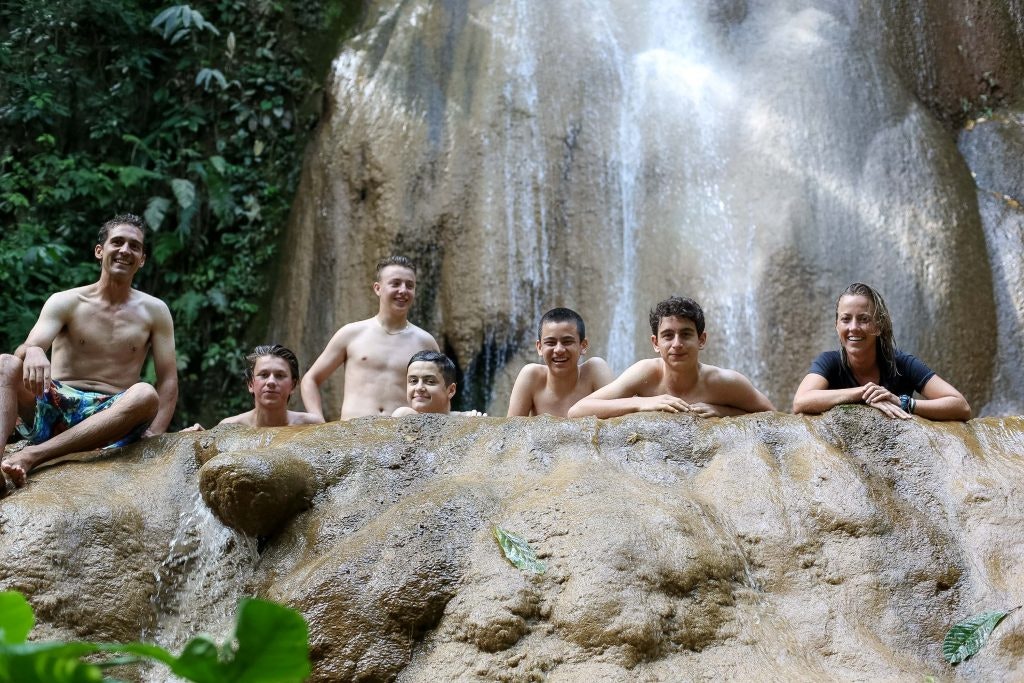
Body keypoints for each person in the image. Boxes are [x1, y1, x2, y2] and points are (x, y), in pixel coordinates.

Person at [0, 214, 177, 489]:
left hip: (109, 413)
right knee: (6, 363)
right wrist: (33, 350)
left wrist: (155, 433)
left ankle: (32, 455)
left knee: (145, 393)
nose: (124, 251)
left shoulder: (155, 311)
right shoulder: (67, 301)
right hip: (54, 402)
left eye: (134, 246)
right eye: (117, 242)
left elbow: (167, 379)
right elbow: (25, 351)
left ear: (142, 259)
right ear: (99, 251)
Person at [568, 296, 774, 418]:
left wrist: (724, 411)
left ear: (701, 340)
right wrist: (642, 404)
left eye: (685, 334)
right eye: (668, 336)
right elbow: (577, 411)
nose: (677, 344)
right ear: (655, 343)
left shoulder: (724, 382)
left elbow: (774, 417)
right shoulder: (646, 373)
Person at [792, 282, 970, 420]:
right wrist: (864, 392)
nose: (854, 328)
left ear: (878, 326)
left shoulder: (901, 363)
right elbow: (800, 402)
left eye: (864, 319)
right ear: (836, 326)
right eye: (846, 319)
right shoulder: (830, 362)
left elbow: (961, 406)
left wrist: (905, 403)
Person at [301, 256, 439, 420]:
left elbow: (442, 392)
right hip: (354, 435)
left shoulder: (425, 342)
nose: (403, 290)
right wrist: (317, 420)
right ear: (378, 288)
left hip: (402, 436)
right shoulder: (351, 334)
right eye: (395, 283)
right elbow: (310, 379)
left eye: (410, 285)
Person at [506, 307, 614, 417]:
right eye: (551, 343)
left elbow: (619, 421)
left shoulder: (594, 370)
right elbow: (511, 430)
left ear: (583, 345)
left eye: (567, 342)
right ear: (539, 347)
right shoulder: (531, 376)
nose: (559, 350)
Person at [184, 345, 323, 429]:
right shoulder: (231, 427)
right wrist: (200, 440)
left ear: (292, 385)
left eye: (280, 375)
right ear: (250, 384)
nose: (271, 382)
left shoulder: (310, 426)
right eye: (264, 375)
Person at [393, 351, 459, 416]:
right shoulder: (403, 415)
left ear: (451, 390)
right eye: (414, 381)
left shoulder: (466, 419)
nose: (419, 388)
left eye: (430, 381)